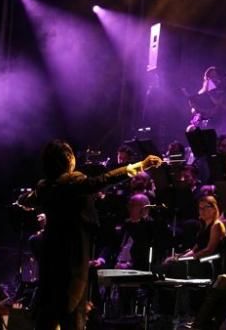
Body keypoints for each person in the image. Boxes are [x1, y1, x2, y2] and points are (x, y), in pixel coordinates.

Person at [33, 140, 162, 330]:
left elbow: (31, 198)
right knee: (72, 314)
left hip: (50, 258)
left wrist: (23, 202)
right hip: (72, 258)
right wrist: (139, 166)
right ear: (68, 159)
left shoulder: (44, 186)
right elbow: (103, 180)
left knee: (48, 314)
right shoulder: (71, 182)